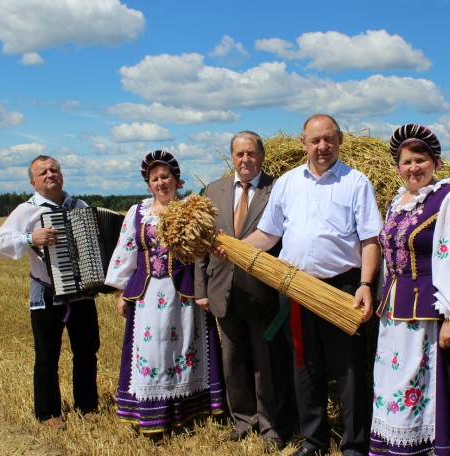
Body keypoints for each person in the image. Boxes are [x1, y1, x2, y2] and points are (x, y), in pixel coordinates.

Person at [217, 114, 382, 456]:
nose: (322, 146)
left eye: (329, 139)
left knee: (348, 368)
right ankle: (314, 441)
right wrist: (233, 249)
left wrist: (366, 284)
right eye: (315, 140)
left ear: (339, 141)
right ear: (303, 143)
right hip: (294, 289)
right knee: (303, 366)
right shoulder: (288, 183)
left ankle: (355, 444)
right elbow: (268, 234)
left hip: (342, 290)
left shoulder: (356, 182)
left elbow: (370, 240)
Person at [370, 124, 450, 456]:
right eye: (406, 162)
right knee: (393, 382)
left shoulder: (447, 198)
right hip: (393, 313)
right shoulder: (397, 203)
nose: (413, 168)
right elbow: (388, 260)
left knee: (422, 384)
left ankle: (429, 446)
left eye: (420, 160)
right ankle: (396, 445)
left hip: (428, 315)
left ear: (435, 163)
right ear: (397, 167)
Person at [104, 150, 225, 438]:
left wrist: (204, 290)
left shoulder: (193, 211)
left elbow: (203, 256)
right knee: (153, 351)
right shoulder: (138, 213)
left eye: (165, 176)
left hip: (183, 296)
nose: (161, 182)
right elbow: (127, 251)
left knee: (184, 350)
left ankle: (189, 411)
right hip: (147, 296)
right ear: (149, 185)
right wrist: (123, 291)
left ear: (177, 180)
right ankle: (152, 413)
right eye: (155, 179)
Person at [194, 131, 293, 452]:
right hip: (222, 288)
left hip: (263, 293)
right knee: (232, 358)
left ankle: (272, 425)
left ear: (262, 156)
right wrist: (201, 289)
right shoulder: (213, 190)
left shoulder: (278, 189)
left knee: (267, 363)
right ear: (231, 157)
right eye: (239, 154)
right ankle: (243, 418)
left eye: (251, 154)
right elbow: (200, 243)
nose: (245, 160)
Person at [0, 155, 100, 430]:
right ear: (33, 182)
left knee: (86, 351)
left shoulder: (80, 206)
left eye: (54, 169)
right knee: (47, 355)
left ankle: (87, 405)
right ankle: (48, 412)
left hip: (82, 291)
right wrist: (29, 239)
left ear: (61, 174)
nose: (50, 174)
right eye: (43, 172)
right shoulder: (26, 211)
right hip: (48, 293)